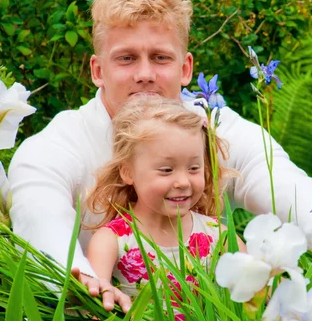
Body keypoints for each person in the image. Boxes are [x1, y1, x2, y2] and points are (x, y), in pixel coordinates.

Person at [9, 0, 312, 312]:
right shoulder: (57, 145)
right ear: (98, 70)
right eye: (126, 58)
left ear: (186, 67)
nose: (145, 74)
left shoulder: (210, 123)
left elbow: (267, 170)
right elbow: (39, 211)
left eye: (161, 57)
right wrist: (84, 283)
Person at [85, 96, 241, 300]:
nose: (183, 182)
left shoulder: (220, 238)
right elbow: (94, 305)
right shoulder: (111, 241)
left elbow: (255, 299)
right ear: (128, 172)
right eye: (166, 170)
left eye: (194, 168)